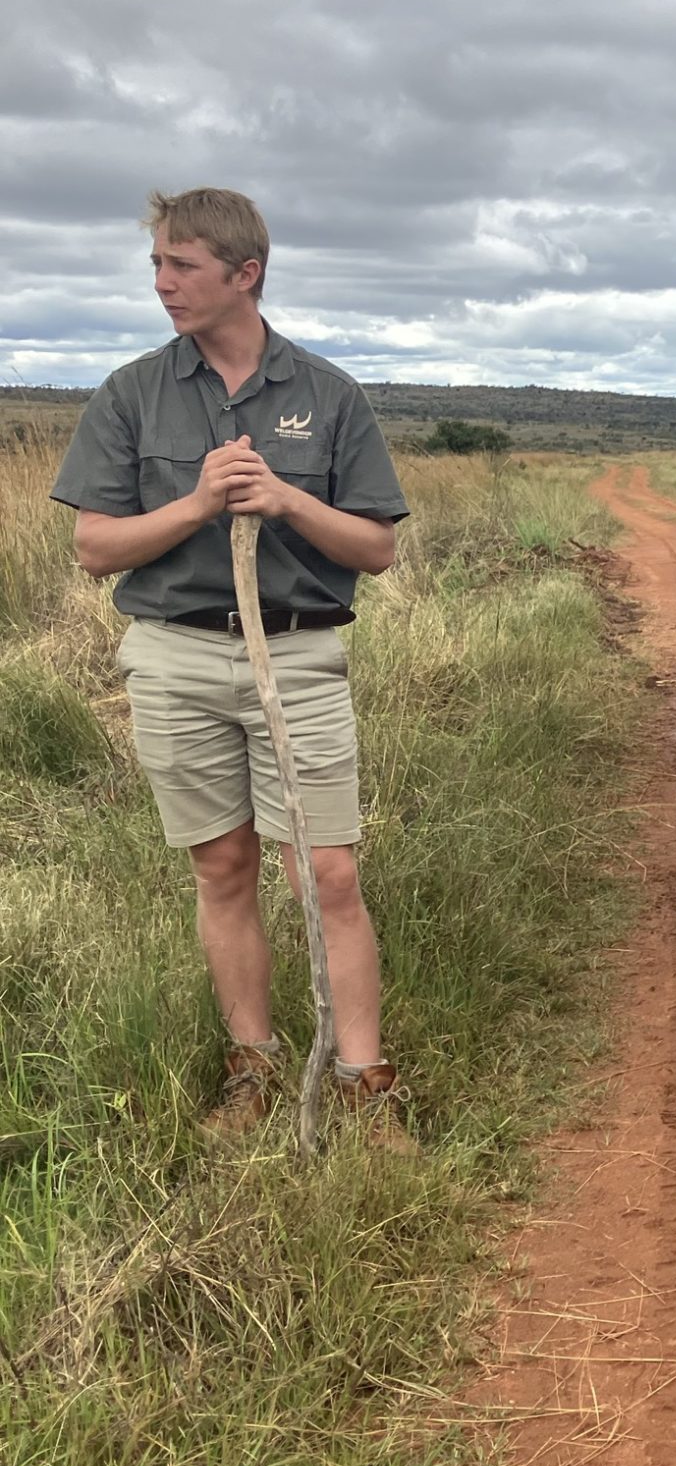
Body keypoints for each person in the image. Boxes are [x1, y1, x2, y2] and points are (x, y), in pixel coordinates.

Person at [50, 188, 413, 1139]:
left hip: (294, 655)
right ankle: (251, 1068)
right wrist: (200, 503)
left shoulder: (327, 395)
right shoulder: (132, 393)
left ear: (244, 274)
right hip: (172, 657)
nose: (164, 284)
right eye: (158, 267)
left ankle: (364, 1082)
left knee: (326, 872)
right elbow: (96, 548)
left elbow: (374, 549)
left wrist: (286, 501)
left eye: (183, 266)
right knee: (222, 864)